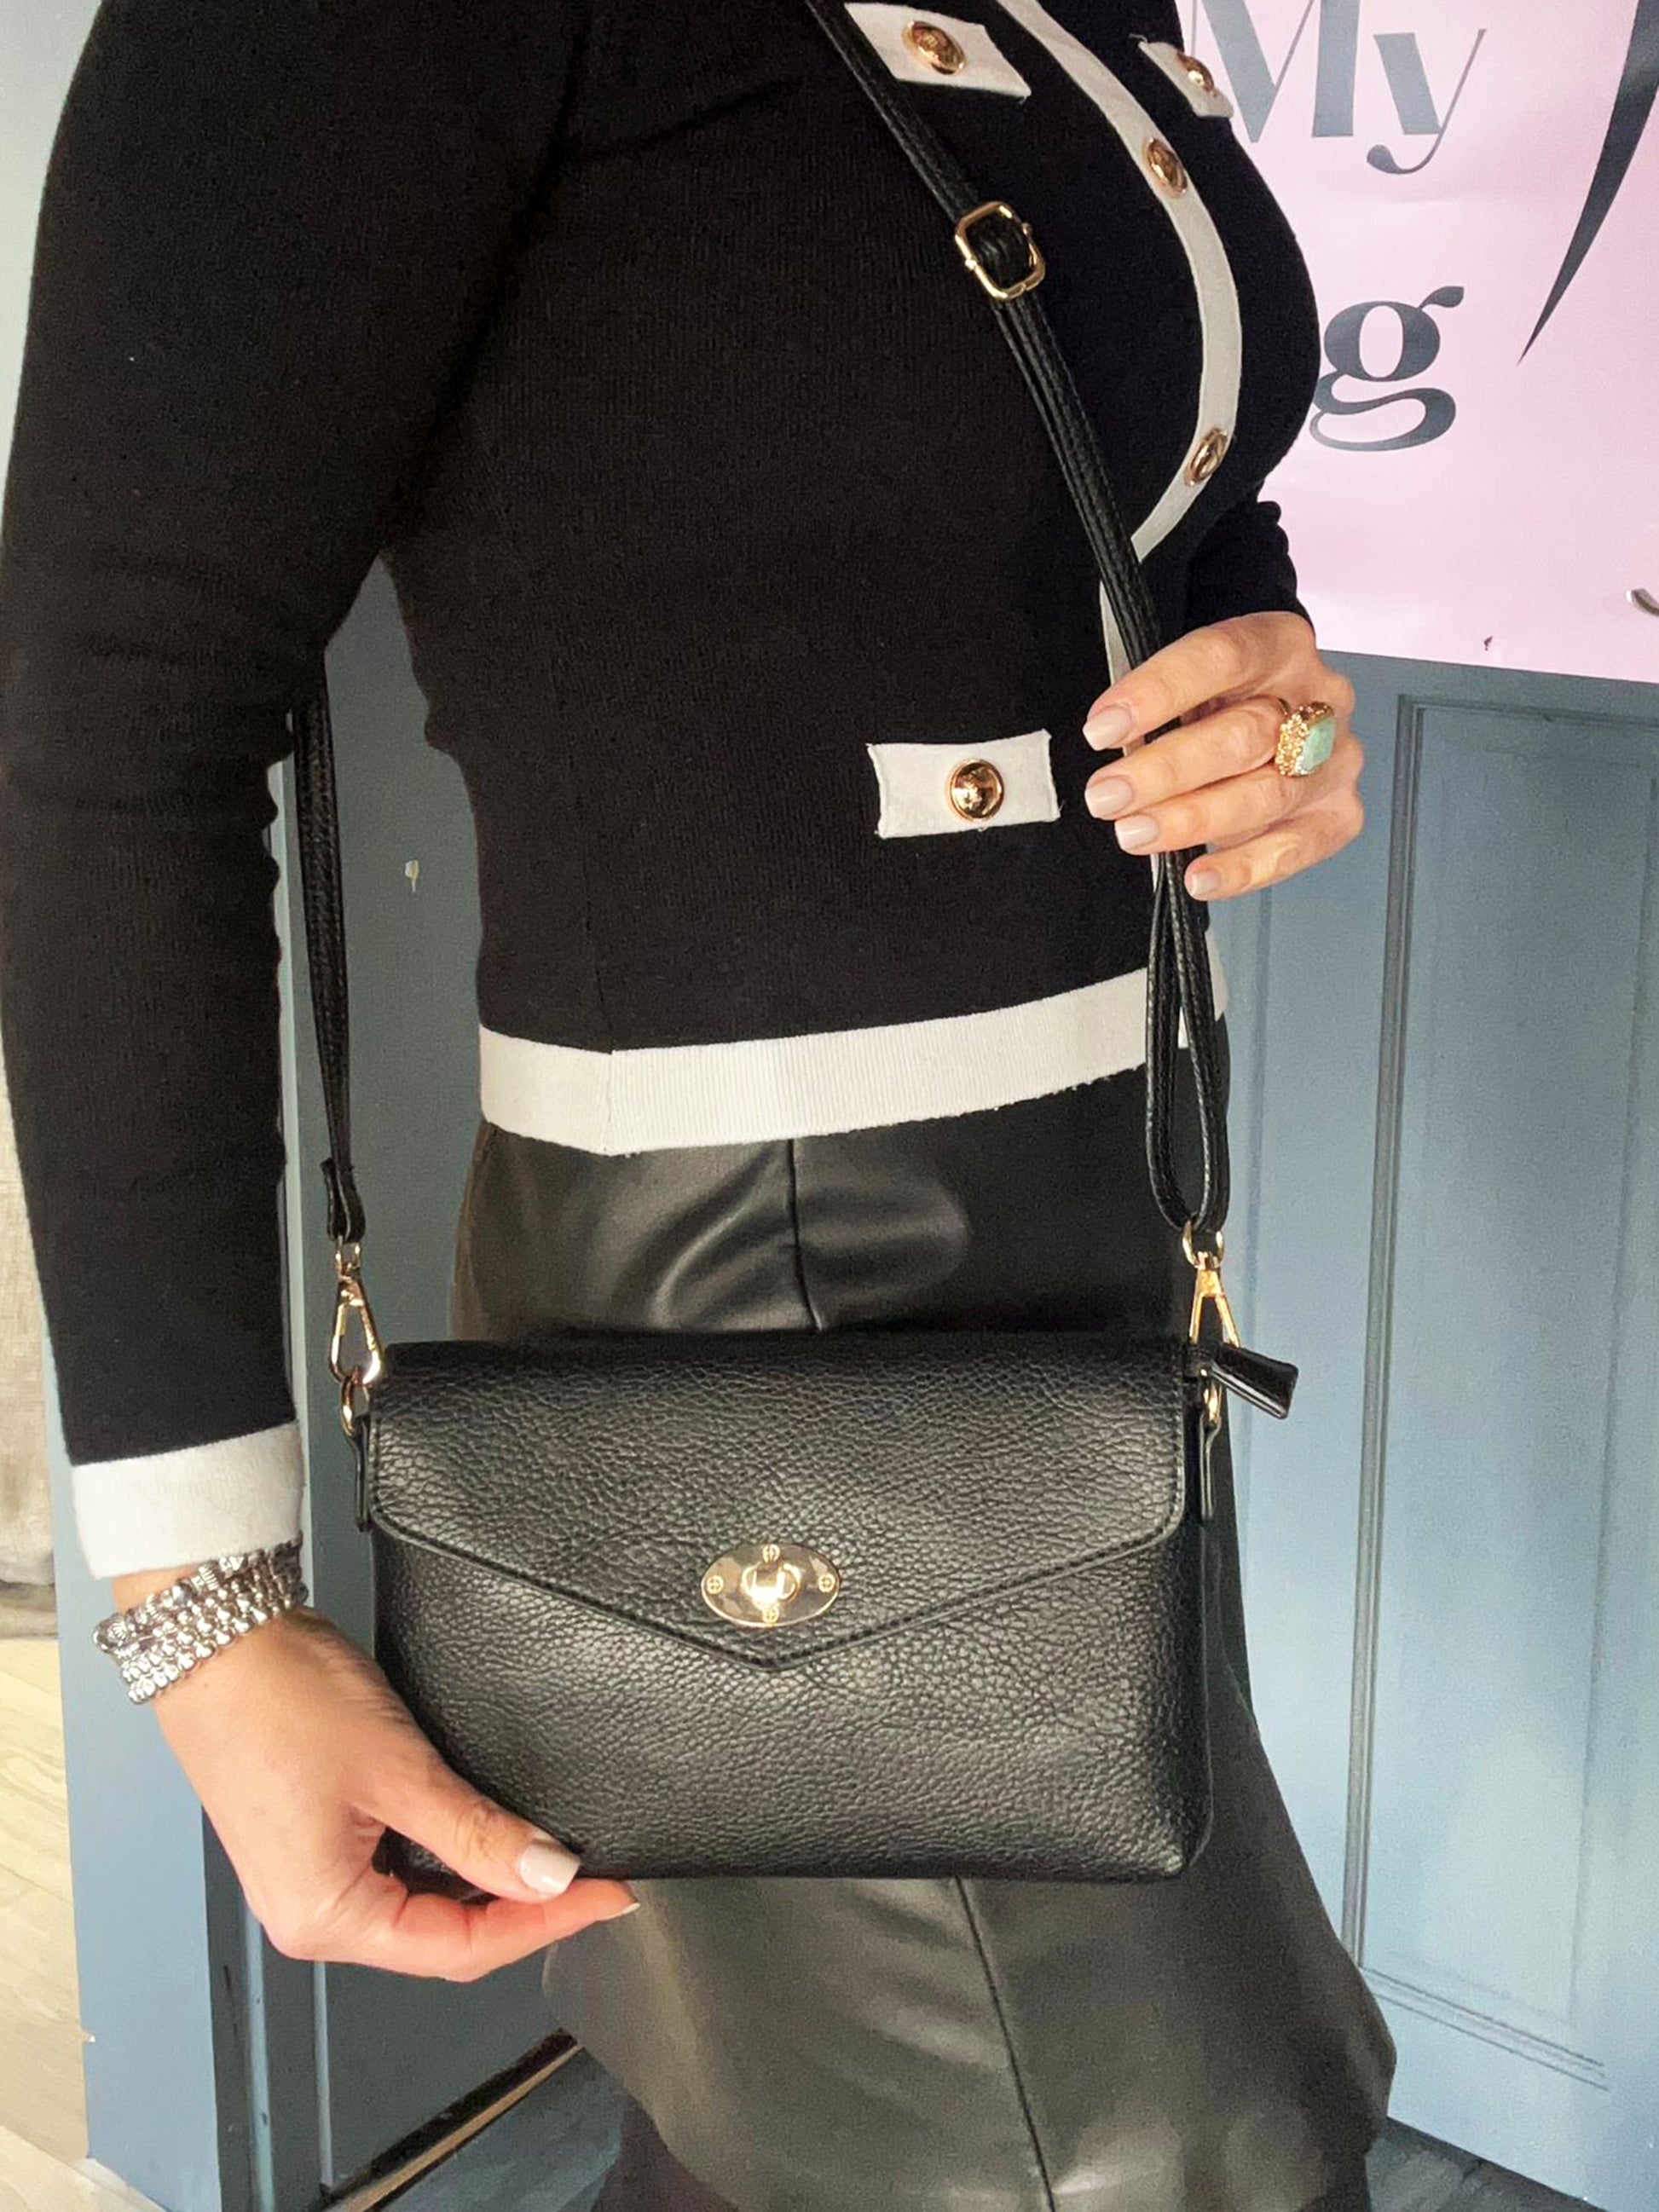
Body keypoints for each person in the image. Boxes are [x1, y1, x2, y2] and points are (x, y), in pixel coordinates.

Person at [0, 1, 1393, 2206]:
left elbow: (1145, 476)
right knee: (1146, 2150)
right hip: (759, 1279)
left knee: (798, 2132)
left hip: (1095, 1225)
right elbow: (105, 737)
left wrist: (1263, 683)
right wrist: (202, 1606)